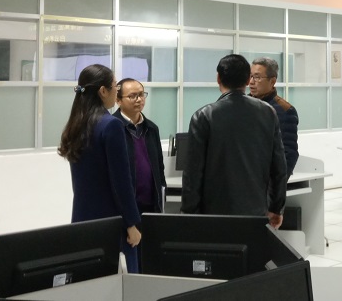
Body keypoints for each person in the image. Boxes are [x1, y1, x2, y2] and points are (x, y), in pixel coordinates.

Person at [181, 54, 288, 228]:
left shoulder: (204, 116)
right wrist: (276, 208)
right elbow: (279, 167)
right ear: (247, 80)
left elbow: (193, 174)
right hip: (256, 211)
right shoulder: (268, 113)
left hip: (214, 214)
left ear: (218, 78)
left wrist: (188, 215)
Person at [58, 64, 142, 273]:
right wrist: (131, 223)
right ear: (103, 91)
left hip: (83, 220)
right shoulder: (110, 125)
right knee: (122, 283)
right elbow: (121, 182)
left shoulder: (76, 125)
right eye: (115, 87)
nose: (116, 91)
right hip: (111, 223)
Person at [113, 78, 166, 214]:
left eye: (141, 94)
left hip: (151, 206)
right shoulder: (112, 128)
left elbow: (159, 167)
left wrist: (161, 199)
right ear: (118, 100)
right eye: (132, 96)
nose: (139, 99)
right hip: (124, 207)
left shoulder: (152, 128)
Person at [249, 57, 299, 176]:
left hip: (265, 179)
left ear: (272, 81)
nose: (251, 82)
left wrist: (276, 184)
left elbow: (288, 154)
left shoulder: (285, 111)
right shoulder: (243, 104)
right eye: (250, 76)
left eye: (257, 77)